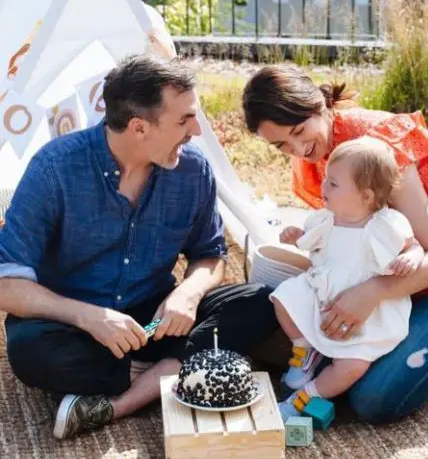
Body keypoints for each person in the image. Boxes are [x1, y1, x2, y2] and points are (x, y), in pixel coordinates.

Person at [0, 56, 278, 440]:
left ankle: (120, 398)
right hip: (72, 323)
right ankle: (177, 369)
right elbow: (7, 283)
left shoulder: (193, 170)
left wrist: (188, 294)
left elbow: (211, 256)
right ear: (139, 127)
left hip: (154, 318)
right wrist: (90, 318)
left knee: (261, 302)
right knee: (30, 351)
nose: (196, 131)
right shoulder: (53, 169)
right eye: (184, 120)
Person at [242, 64, 428, 423]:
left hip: (415, 283)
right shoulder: (312, 162)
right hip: (392, 291)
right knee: (276, 323)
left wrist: (373, 292)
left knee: (373, 399)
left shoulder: (377, 147)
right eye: (281, 144)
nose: (298, 148)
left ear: (319, 105)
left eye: (299, 131)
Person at [270, 137, 424, 420]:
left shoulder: (385, 225)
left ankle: (304, 398)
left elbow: (414, 246)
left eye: (333, 183)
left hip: (369, 311)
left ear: (366, 196)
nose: (323, 186)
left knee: (351, 365)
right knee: (284, 297)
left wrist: (411, 257)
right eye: (326, 179)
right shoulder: (326, 219)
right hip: (324, 294)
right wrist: (295, 237)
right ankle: (303, 350)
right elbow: (310, 243)